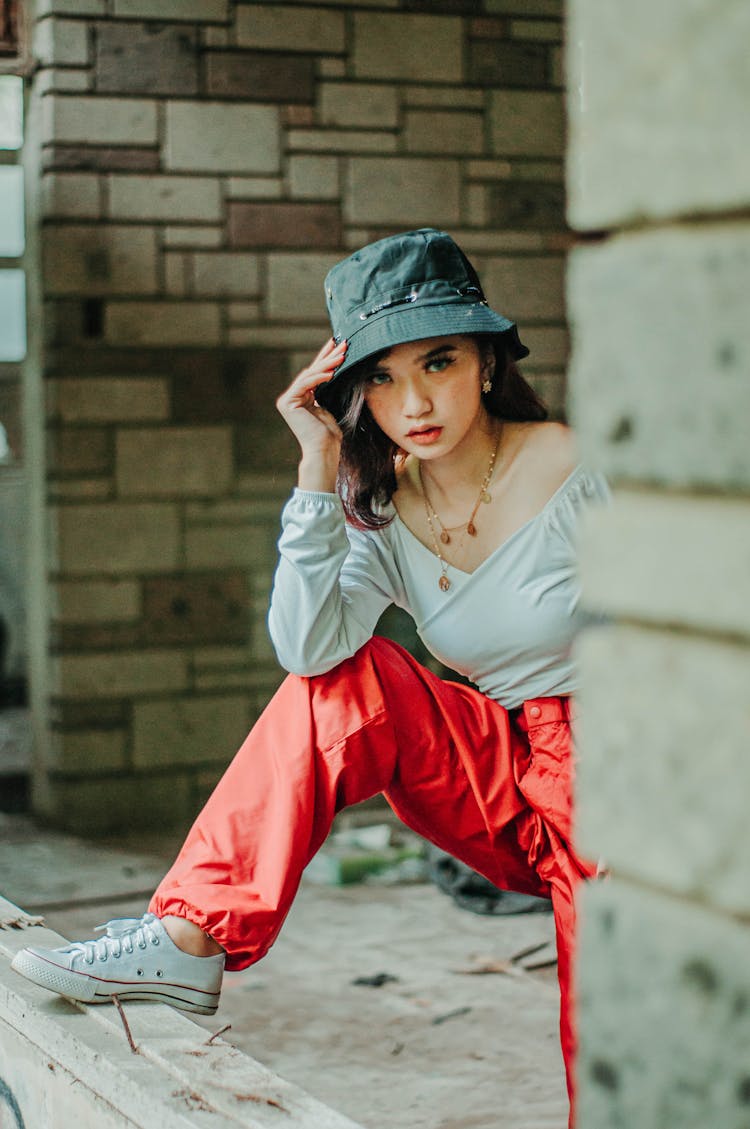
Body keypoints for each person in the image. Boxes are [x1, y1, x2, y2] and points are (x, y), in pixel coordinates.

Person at [12, 228, 608, 1124]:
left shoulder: (574, 465)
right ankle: (191, 935)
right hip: (515, 770)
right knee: (350, 677)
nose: (413, 401)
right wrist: (313, 470)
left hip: (630, 769)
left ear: (486, 361)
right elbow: (309, 653)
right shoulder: (388, 510)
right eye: (379, 376)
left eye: (437, 362)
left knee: (620, 1048)